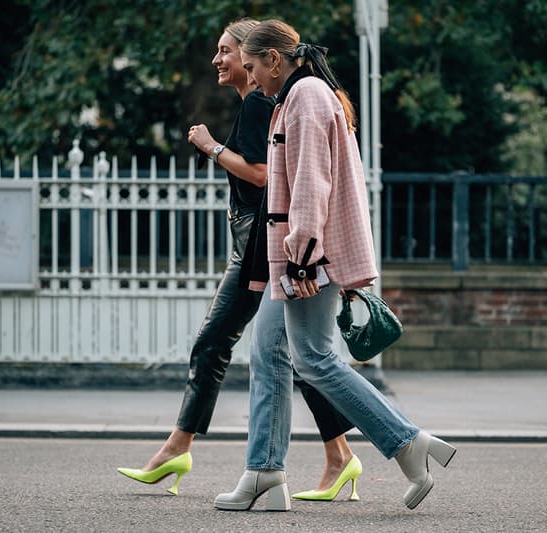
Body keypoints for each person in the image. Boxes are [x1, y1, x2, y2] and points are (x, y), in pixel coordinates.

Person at [214, 19, 456, 512]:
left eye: (255, 65)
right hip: (302, 254)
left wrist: (301, 262)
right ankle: (264, 472)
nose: (251, 75)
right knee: (269, 353)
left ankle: (408, 442)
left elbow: (311, 184)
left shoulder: (305, 97)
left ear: (275, 60)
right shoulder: (305, 94)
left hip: (307, 257)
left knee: (314, 359)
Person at [116, 19, 362, 501]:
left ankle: (179, 449)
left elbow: (261, 175)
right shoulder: (272, 101)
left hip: (259, 244)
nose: (219, 60)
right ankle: (339, 456)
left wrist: (209, 145)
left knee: (219, 343)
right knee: (291, 353)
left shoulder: (260, 102)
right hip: (258, 241)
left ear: (259, 57)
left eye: (228, 52)